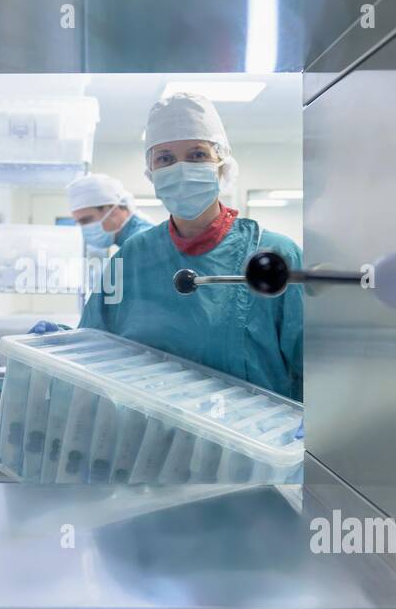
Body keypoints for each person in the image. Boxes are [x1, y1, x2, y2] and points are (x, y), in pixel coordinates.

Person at [79, 92, 303, 401]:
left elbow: (316, 365)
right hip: (154, 439)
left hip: (250, 442)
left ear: (221, 164)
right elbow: (96, 348)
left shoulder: (275, 258)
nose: (180, 168)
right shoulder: (130, 258)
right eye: (166, 159)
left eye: (197, 155)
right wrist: (60, 344)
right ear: (152, 172)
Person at [65, 173, 153, 253]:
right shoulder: (129, 243)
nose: (84, 228)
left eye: (86, 220)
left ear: (113, 210)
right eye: (79, 223)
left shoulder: (143, 243)